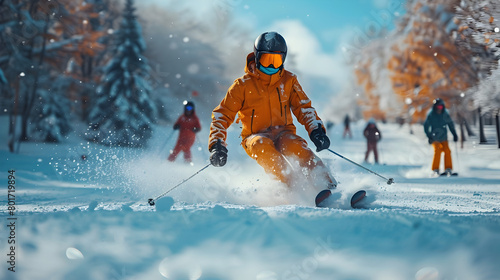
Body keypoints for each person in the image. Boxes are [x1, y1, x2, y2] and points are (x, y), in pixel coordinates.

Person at [208, 31, 336, 189]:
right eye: (266, 59)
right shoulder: (242, 86)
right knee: (261, 146)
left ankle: (326, 184)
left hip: (283, 133)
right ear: (256, 57)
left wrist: (316, 130)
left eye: (275, 61)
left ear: (283, 59)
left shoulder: (289, 81)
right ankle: (291, 187)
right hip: (254, 136)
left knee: (296, 147)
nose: (270, 66)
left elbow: (304, 108)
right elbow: (222, 115)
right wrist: (217, 145)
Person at [423, 98, 458, 175]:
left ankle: (448, 168)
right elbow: (426, 126)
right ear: (435, 107)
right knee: (438, 150)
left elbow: (450, 125)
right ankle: (435, 169)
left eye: (441, 107)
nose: (440, 109)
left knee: (447, 150)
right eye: (438, 107)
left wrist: (454, 134)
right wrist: (429, 136)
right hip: (434, 138)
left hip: (444, 138)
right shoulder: (431, 115)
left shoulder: (445, 115)